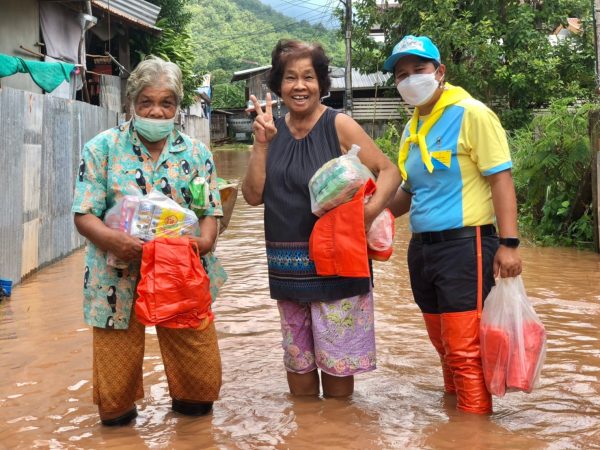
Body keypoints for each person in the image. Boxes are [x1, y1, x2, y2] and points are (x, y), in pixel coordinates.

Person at [242, 40, 401, 397]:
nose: (300, 86)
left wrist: (367, 215)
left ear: (321, 83)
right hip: (287, 272)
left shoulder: (339, 125)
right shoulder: (270, 131)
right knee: (298, 372)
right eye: (290, 78)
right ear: (278, 85)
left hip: (338, 268)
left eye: (309, 77)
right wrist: (262, 144)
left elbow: (389, 171)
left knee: (338, 384)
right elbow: (252, 197)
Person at [72, 57, 224, 426]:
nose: (156, 111)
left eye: (166, 102)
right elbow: (83, 214)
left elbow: (210, 210)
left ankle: (191, 419)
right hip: (116, 278)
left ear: (177, 105)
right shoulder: (101, 149)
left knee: (198, 393)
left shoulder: (195, 153)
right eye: (146, 102)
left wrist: (202, 244)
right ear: (131, 103)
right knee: (115, 402)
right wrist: (115, 241)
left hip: (182, 274)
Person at [384, 35, 522, 414]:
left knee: (464, 351)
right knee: (444, 348)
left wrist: (509, 243)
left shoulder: (472, 113)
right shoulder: (414, 129)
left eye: (419, 70)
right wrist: (364, 213)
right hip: (422, 250)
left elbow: (501, 179)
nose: (410, 79)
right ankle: (455, 423)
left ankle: (474, 432)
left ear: (440, 71)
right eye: (401, 74)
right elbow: (408, 195)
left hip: (466, 246)